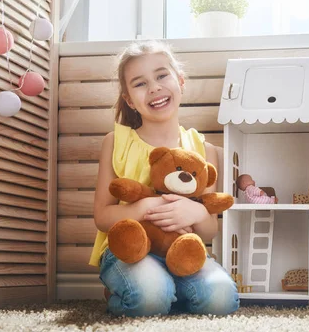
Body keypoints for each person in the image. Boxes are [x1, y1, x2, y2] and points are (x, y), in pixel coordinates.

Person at [88, 40, 239, 317]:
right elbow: (102, 216)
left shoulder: (202, 149)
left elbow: (209, 231)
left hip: (182, 250)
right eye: (140, 83)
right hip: (129, 249)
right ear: (130, 100)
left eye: (161, 76)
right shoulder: (115, 142)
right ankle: (139, 291)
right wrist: (143, 208)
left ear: (180, 82)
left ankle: (166, 290)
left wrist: (194, 211)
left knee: (221, 298)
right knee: (149, 297)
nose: (154, 87)